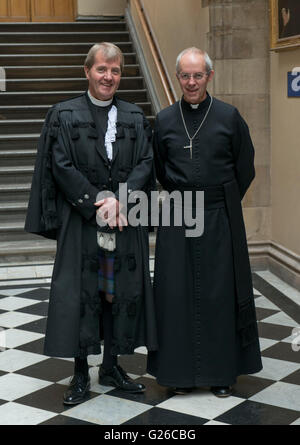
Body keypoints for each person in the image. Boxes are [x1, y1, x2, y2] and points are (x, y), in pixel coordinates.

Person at [25, 42, 157, 405]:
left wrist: (122, 198)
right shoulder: (63, 115)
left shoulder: (134, 115)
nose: (108, 77)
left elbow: (147, 161)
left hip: (123, 221)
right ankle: (81, 371)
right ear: (87, 71)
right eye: (102, 69)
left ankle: (112, 366)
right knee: (84, 295)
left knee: (117, 292)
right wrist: (100, 200)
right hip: (83, 221)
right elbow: (60, 165)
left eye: (115, 71)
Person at [147, 47, 262, 397]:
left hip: (218, 218)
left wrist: (218, 202)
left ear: (209, 76)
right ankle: (178, 374)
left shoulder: (229, 116)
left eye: (198, 75)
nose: (192, 82)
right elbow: (158, 168)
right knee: (175, 294)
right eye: (185, 75)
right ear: (177, 77)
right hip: (179, 214)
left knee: (219, 293)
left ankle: (221, 374)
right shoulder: (165, 120)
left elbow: (245, 167)